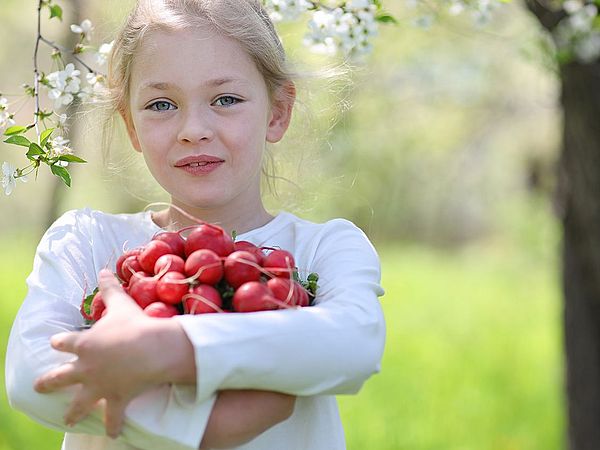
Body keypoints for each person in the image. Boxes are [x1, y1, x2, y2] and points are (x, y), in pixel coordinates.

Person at [5, 0, 386, 449]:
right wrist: (199, 428)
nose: (194, 129)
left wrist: (171, 347)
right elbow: (32, 374)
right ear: (131, 125)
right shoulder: (89, 243)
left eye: (226, 99)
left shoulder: (325, 248)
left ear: (278, 112)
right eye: (161, 104)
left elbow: (353, 342)